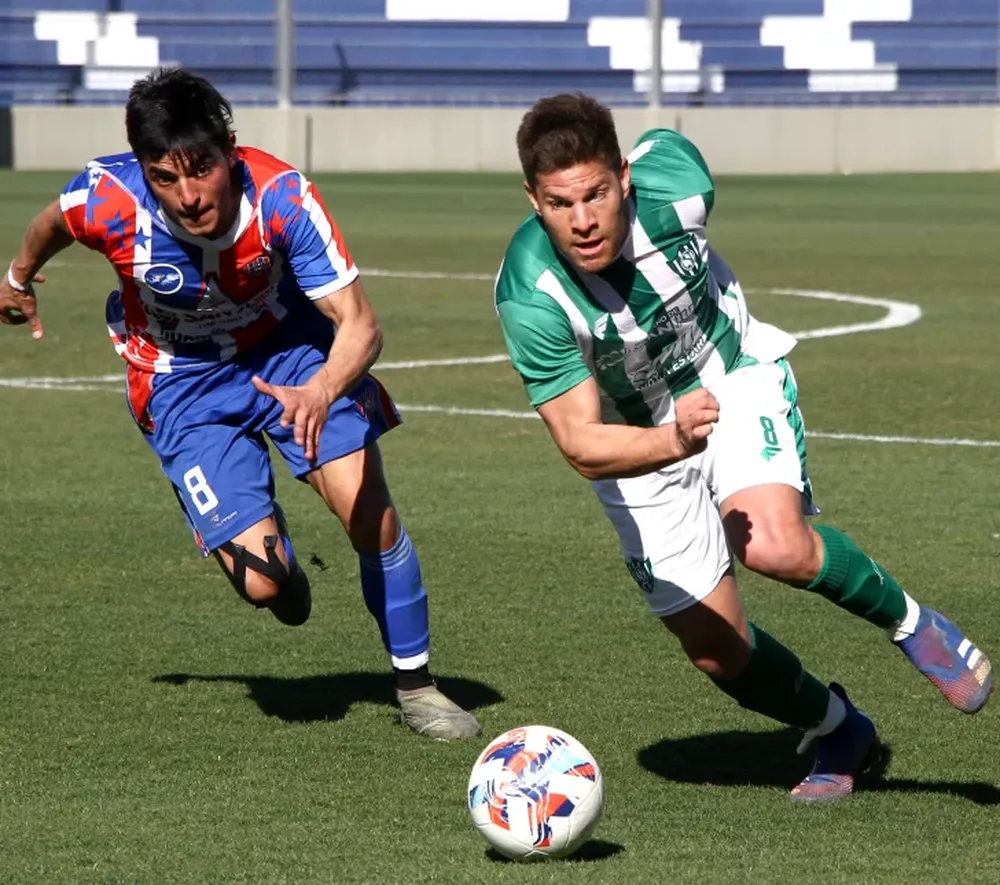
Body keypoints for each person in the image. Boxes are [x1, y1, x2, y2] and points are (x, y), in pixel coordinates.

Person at [494, 93, 992, 801]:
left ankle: (912, 623)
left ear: (625, 176)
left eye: (596, 193)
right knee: (715, 648)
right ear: (532, 199)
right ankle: (838, 727)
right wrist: (670, 438)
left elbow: (669, 148)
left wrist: (691, 421)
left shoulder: (678, 185)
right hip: (637, 439)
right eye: (558, 203)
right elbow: (579, 442)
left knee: (776, 546)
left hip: (729, 375)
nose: (582, 221)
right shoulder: (530, 292)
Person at [0, 67, 479, 742]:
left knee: (367, 508)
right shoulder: (106, 197)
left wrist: (320, 389)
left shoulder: (282, 196)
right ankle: (279, 566)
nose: (189, 195)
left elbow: (361, 325)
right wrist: (18, 277)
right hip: (180, 381)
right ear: (142, 169)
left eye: (202, 168)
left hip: (289, 354)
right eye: (165, 178)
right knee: (265, 586)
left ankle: (416, 686)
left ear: (230, 149)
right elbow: (53, 221)